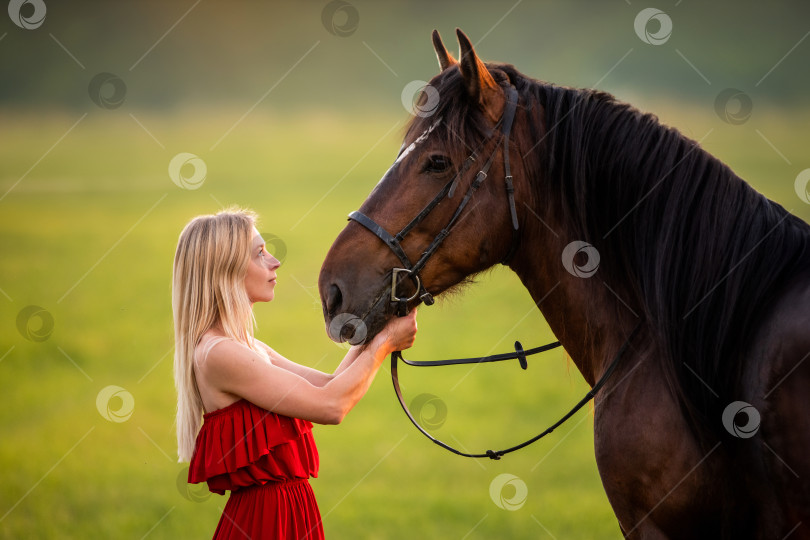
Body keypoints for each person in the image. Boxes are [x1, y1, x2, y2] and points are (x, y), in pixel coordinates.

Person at [172, 207, 418, 539]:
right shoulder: (220, 353)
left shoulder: (247, 346)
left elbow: (331, 384)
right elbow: (331, 406)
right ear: (224, 270)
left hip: (290, 514)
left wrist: (380, 319)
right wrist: (387, 341)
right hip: (264, 524)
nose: (274, 261)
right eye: (259, 253)